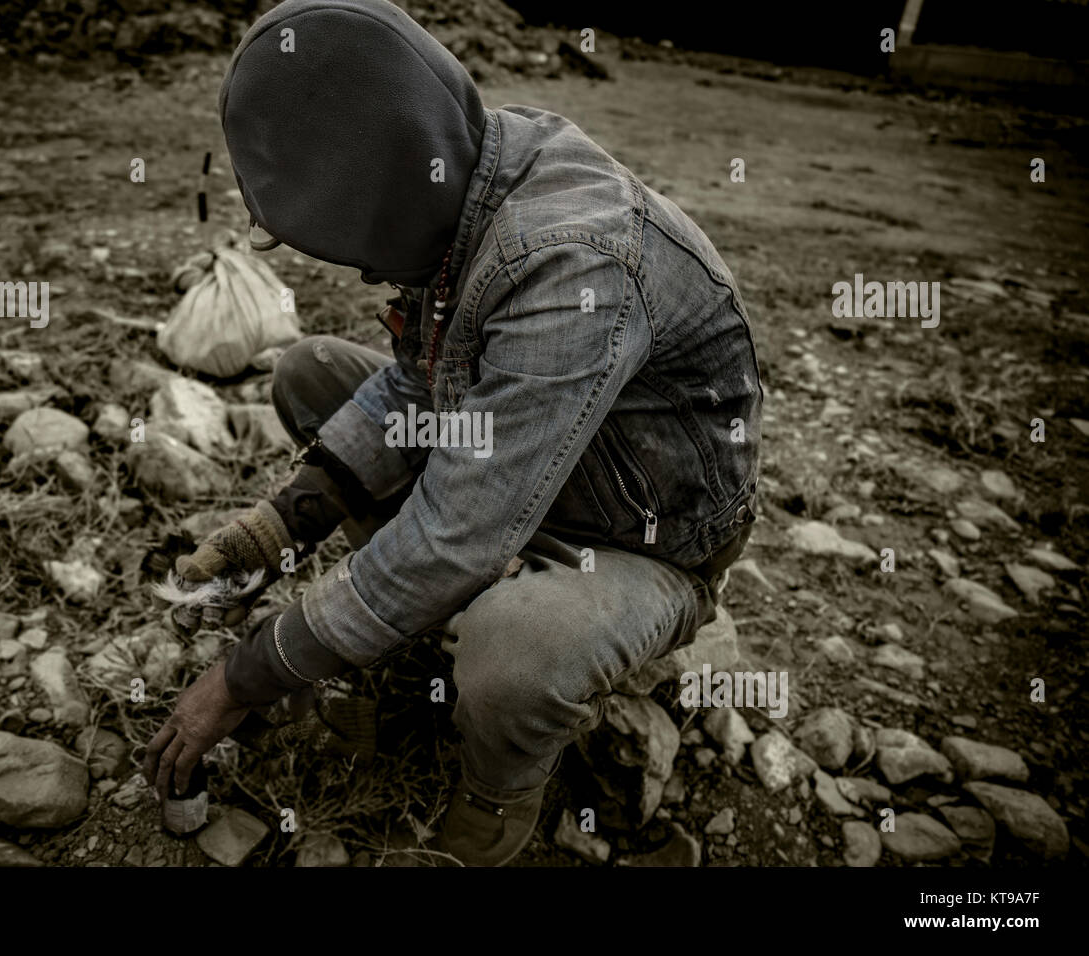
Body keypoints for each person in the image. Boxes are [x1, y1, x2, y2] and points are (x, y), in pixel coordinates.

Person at [143, 0, 762, 866]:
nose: (360, 272)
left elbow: (457, 532)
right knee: (311, 374)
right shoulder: (467, 167)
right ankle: (398, 614)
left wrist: (249, 674)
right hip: (516, 468)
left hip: (636, 545)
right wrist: (279, 525)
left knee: (514, 650)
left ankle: (495, 800)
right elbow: (418, 381)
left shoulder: (573, 260)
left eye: (358, 248)